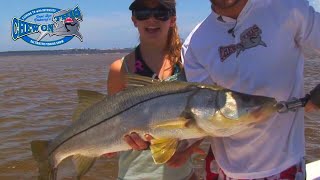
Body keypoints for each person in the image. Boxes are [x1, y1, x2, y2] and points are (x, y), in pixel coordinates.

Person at [177, 0, 320, 179]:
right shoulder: (194, 45)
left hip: (283, 167)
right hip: (221, 169)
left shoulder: (287, 8)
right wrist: (180, 146)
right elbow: (204, 115)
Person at [106, 0, 198, 179]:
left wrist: (187, 152)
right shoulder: (120, 69)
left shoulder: (188, 63)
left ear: (172, 19)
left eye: (160, 13)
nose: (151, 19)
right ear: (134, 20)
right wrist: (106, 146)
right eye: (143, 13)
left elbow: (208, 121)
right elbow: (111, 124)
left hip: (184, 175)